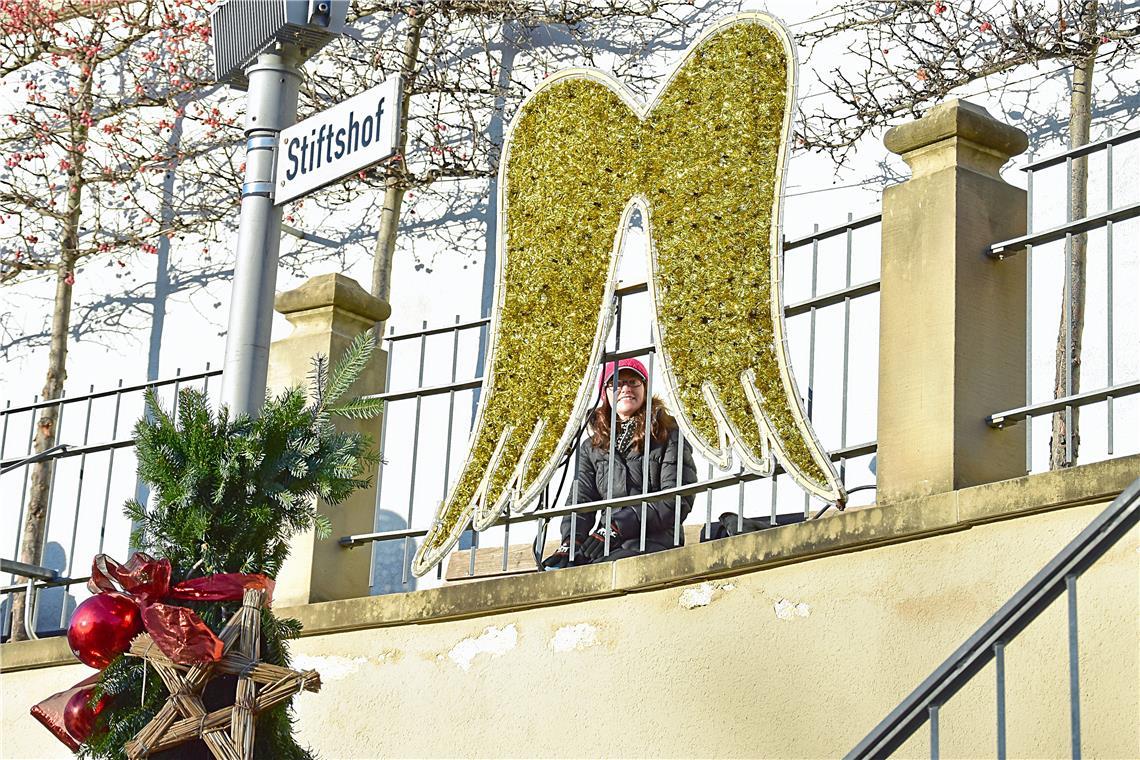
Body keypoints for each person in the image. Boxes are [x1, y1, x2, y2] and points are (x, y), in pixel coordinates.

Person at [542, 357, 697, 568]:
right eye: (616, 383)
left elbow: (677, 499)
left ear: (644, 389)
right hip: (604, 544)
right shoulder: (592, 446)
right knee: (557, 571)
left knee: (611, 567)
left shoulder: (669, 434)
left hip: (654, 542)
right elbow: (581, 501)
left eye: (633, 382)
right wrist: (571, 541)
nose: (625, 388)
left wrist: (617, 526)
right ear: (604, 393)